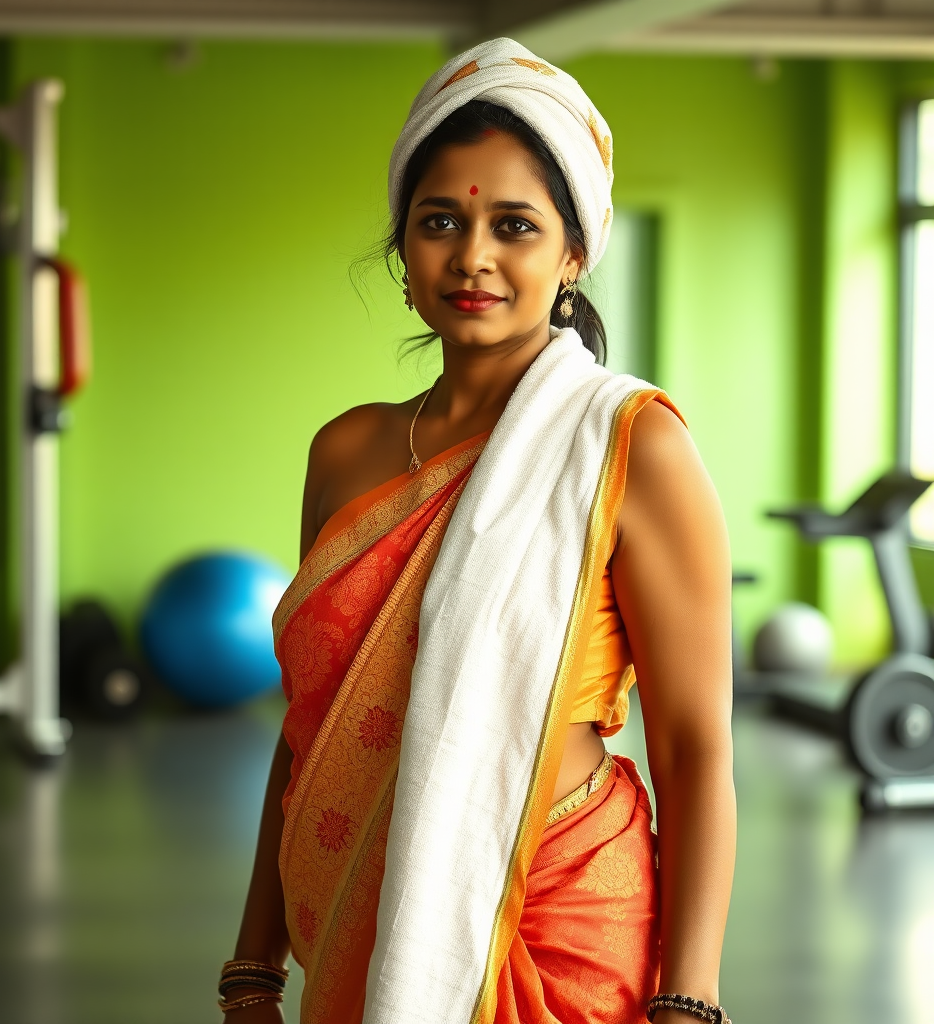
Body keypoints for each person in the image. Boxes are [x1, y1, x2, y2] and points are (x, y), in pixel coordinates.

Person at [221, 37, 736, 1024]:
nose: (473, 257)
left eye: (515, 225)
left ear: (573, 254)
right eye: (440, 222)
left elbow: (694, 745)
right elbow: (310, 732)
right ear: (402, 248)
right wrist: (254, 962)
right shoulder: (346, 452)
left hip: (553, 921)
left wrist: (689, 996)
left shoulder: (628, 445)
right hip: (344, 909)